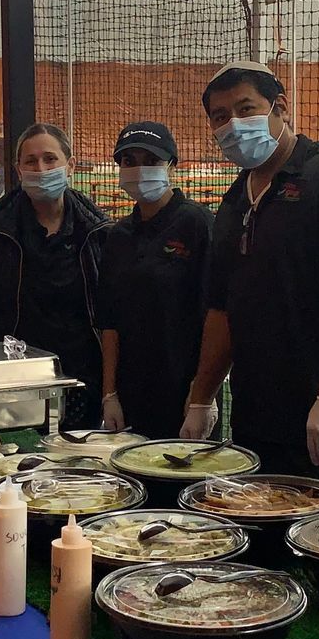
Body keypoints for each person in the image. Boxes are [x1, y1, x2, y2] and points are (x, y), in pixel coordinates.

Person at [181, 62, 319, 507]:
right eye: (220, 116)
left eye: (246, 109)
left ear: (280, 107)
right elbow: (222, 309)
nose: (233, 124)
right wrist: (201, 397)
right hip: (258, 423)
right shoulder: (235, 201)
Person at [0, 122, 109, 427]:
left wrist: (111, 391)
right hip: (13, 381)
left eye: (50, 159)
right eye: (31, 161)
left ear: (70, 165)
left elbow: (109, 315)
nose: (41, 168)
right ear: (18, 169)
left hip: (82, 381)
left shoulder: (98, 229)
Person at [97, 121, 214, 439]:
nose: (139, 169)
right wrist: (110, 394)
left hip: (184, 397)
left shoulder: (197, 224)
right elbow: (109, 322)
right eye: (129, 161)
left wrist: (203, 396)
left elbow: (216, 316)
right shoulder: (118, 235)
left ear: (172, 165)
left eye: (151, 160)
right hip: (131, 397)